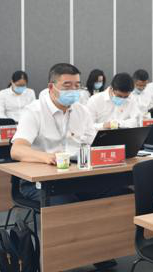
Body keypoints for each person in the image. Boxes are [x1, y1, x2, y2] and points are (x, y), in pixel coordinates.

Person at [10, 63, 99, 204]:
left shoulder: (82, 111)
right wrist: (47, 157)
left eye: (77, 86)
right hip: (41, 181)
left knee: (114, 192)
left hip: (75, 175)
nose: (73, 90)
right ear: (51, 87)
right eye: (67, 86)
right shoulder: (34, 111)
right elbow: (16, 150)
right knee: (68, 203)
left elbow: (93, 143)